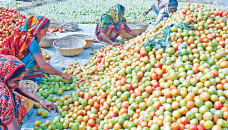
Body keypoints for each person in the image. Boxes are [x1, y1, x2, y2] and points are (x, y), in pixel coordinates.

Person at [0, 15, 72, 83]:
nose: (45, 34)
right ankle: (22, 78)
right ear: (37, 29)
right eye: (44, 31)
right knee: (34, 59)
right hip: (11, 72)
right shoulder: (31, 41)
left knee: (35, 56)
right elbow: (43, 66)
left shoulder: (21, 32)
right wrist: (62, 74)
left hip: (4, 65)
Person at [0, 54, 58, 130]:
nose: (17, 85)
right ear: (5, 76)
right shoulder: (3, 96)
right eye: (15, 81)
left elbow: (19, 87)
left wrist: (41, 101)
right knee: (14, 98)